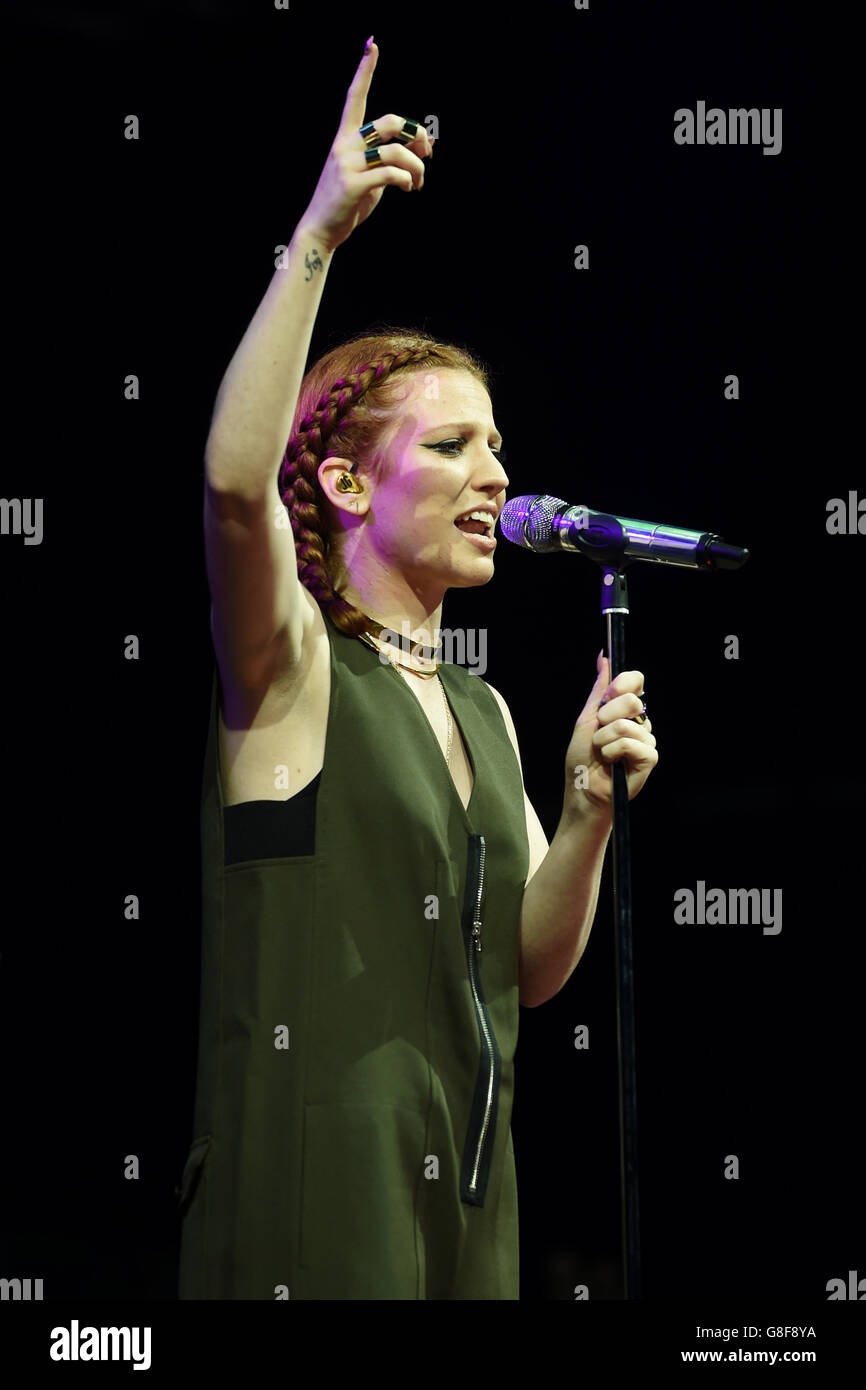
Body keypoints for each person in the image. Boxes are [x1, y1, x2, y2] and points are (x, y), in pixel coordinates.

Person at [176, 36, 658, 1301]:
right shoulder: (289, 666)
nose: (496, 476)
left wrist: (584, 818)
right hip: (318, 1188)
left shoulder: (487, 708)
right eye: (450, 446)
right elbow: (234, 484)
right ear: (343, 484)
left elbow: (526, 971)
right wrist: (321, 237)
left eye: (496, 445)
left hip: (467, 1194)